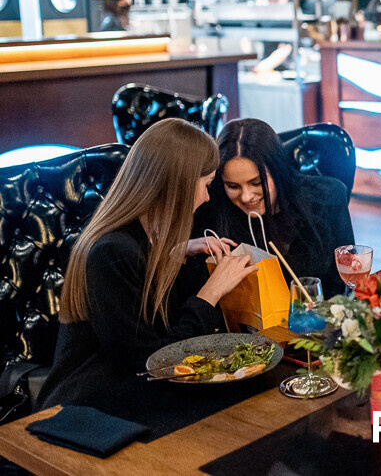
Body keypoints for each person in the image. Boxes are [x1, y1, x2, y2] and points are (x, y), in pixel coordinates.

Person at [38, 119, 258, 410]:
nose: (206, 198)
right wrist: (211, 293)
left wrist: (173, 253)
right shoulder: (110, 252)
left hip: (131, 398)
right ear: (176, 186)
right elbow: (153, 363)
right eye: (205, 185)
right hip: (89, 409)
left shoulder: (145, 240)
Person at [194, 118, 355, 296]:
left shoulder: (327, 196)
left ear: (277, 171)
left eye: (256, 182)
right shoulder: (212, 210)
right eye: (233, 186)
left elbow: (346, 280)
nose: (246, 197)